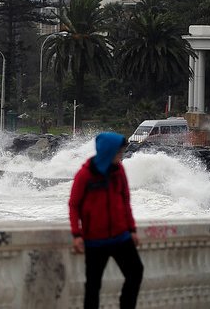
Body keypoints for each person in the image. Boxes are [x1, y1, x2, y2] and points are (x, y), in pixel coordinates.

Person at [69, 131, 143, 309]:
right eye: (119, 152)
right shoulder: (85, 175)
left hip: (121, 236)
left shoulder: (119, 170)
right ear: (108, 152)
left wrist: (131, 230)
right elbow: (74, 205)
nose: (121, 156)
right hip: (95, 240)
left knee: (135, 272)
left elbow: (125, 199)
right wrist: (76, 234)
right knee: (93, 287)